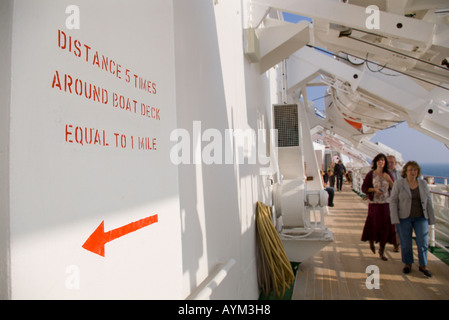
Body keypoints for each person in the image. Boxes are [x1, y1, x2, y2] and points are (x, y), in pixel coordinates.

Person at [389, 161, 435, 277]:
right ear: (406, 172)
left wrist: (431, 218)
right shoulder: (399, 184)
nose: (413, 172)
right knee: (406, 243)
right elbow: (393, 201)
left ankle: (423, 265)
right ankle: (407, 263)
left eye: (415, 170)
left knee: (423, 242)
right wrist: (394, 218)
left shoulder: (423, 184)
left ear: (418, 172)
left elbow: (428, 200)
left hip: (421, 217)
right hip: (404, 217)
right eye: (410, 170)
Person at [361, 153, 395, 261]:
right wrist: (374, 190)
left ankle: (382, 250)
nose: (381, 162)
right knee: (373, 224)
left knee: (385, 227)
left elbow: (394, 188)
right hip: (374, 204)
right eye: (380, 160)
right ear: (376, 162)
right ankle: (371, 242)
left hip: (385, 204)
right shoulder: (371, 174)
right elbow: (364, 188)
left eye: (383, 161)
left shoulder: (388, 174)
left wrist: (389, 180)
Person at [387, 155, 401, 252]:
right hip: (387, 201)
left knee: (397, 223)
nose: (390, 164)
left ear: (395, 163)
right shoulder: (383, 174)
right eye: (388, 162)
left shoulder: (401, 174)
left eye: (392, 162)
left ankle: (397, 244)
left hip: (399, 201)